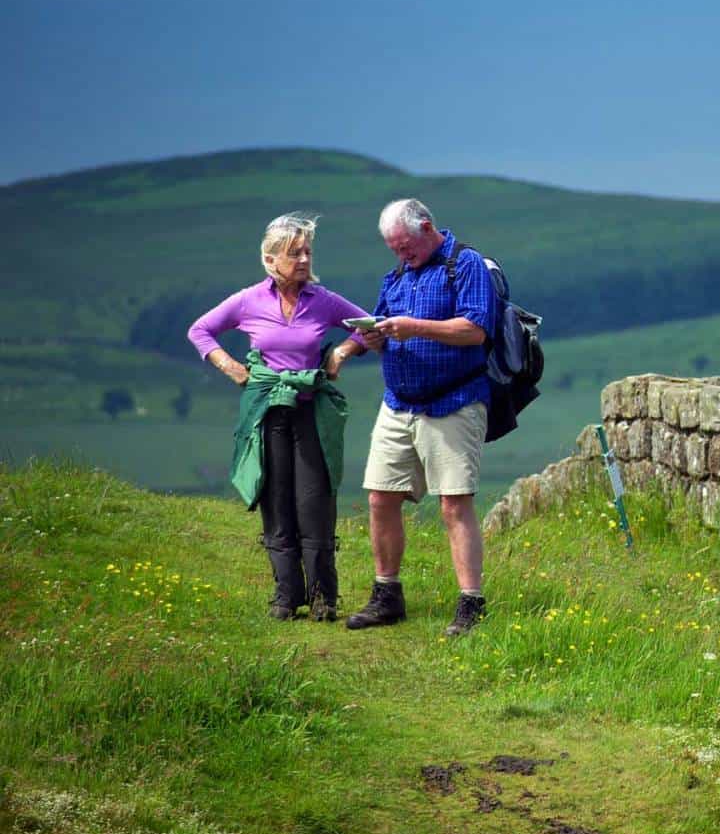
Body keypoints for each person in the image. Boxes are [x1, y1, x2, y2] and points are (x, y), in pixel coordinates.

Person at [188, 213, 372, 621]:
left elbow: (367, 327)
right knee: (276, 500)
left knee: (314, 501)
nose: (304, 259)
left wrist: (341, 353)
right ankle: (285, 596)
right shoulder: (248, 300)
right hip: (265, 410)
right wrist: (233, 368)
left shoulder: (323, 300)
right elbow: (200, 331)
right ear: (270, 261)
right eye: (294, 253)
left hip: (311, 410)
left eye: (307, 251)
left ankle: (324, 596)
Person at [345, 198, 493, 637]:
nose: (401, 255)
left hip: (453, 401)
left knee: (454, 502)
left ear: (427, 227)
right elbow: (385, 322)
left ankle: (471, 603)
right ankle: (387, 595)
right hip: (398, 403)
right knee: (380, 497)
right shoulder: (397, 276)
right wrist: (374, 338)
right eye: (393, 249)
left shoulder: (465, 265)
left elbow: (475, 329)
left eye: (405, 246)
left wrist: (414, 327)